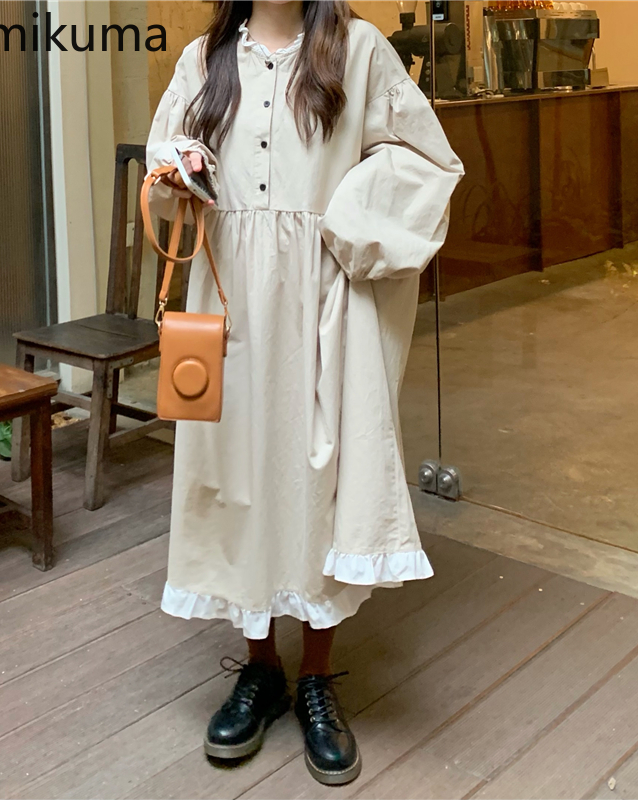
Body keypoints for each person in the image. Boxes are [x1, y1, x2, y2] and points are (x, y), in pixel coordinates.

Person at [146, 0, 463, 785]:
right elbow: (161, 166)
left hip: (328, 299)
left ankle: (317, 675)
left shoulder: (357, 50)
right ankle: (261, 668)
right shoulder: (206, 59)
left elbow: (427, 160)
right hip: (231, 299)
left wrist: (345, 218)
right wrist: (178, 169)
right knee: (240, 474)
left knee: (322, 474)